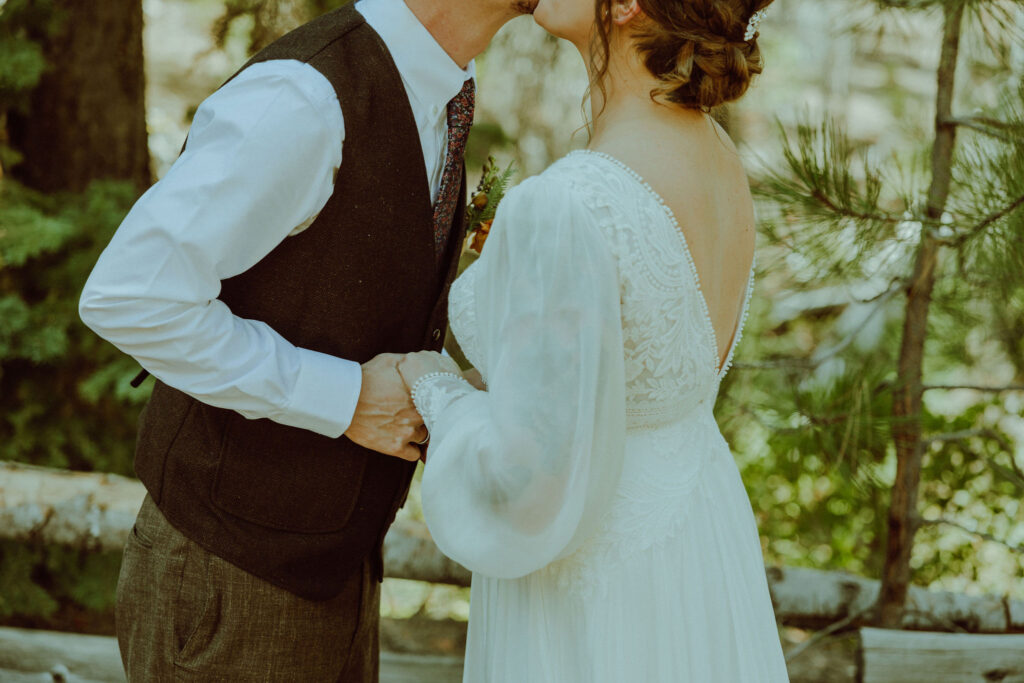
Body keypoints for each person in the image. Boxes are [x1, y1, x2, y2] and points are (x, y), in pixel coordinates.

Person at [78, 0, 531, 679]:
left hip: (336, 568)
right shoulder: (305, 96)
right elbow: (132, 294)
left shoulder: (440, 90)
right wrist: (342, 397)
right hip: (232, 576)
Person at [396, 0, 790, 680]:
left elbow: (530, 482)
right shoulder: (718, 157)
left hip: (593, 569)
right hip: (694, 543)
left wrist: (438, 393)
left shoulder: (573, 201)